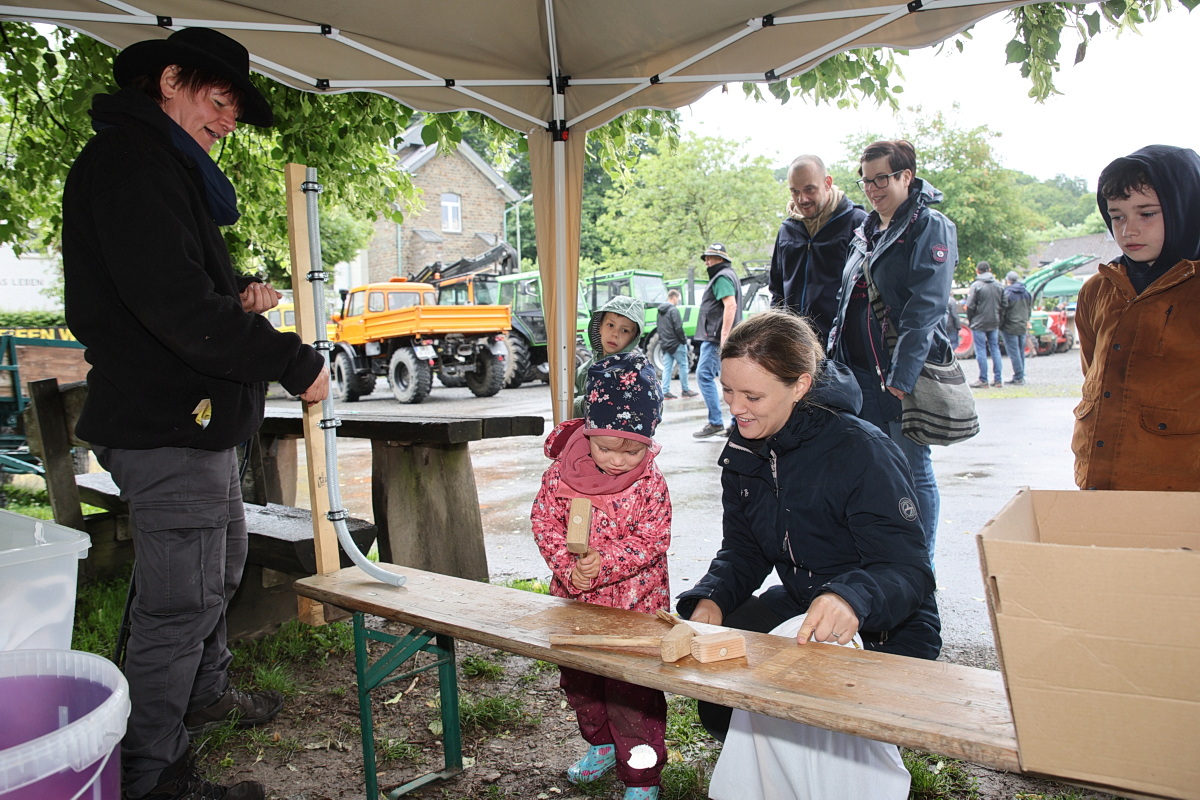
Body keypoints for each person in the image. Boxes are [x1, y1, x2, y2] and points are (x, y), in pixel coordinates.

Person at [61, 28, 329, 800]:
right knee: (179, 604)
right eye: (219, 100)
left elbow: (165, 287)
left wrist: (232, 297)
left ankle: (202, 696)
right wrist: (291, 360)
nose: (228, 121)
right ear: (170, 80)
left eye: (235, 110)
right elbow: (174, 307)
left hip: (189, 423)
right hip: (165, 424)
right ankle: (152, 773)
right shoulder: (130, 164)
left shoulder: (158, 164)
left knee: (218, 572)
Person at [676, 311, 939, 797]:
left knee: (801, 698)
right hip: (802, 604)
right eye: (727, 391)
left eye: (752, 396)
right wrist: (712, 597)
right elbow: (744, 548)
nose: (736, 407)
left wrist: (850, 598)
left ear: (799, 385)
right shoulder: (746, 446)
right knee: (717, 694)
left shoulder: (861, 450)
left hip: (887, 621)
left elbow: (909, 570)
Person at [532, 351, 670, 800]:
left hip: (635, 610)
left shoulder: (649, 482)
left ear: (649, 441)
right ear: (588, 432)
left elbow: (653, 539)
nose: (617, 460)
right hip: (577, 607)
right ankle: (602, 744)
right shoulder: (562, 474)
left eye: (632, 450)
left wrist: (604, 562)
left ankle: (642, 776)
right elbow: (545, 521)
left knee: (634, 697)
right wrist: (568, 565)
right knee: (582, 684)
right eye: (606, 447)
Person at [827, 139, 957, 564]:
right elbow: (844, 303)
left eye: (881, 179)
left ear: (906, 176)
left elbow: (926, 307)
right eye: (866, 181)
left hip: (900, 375)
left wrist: (902, 375)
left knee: (912, 470)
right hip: (857, 374)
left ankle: (921, 569)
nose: (872, 189)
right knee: (872, 471)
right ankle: (885, 564)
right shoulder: (865, 232)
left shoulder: (929, 225)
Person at [1072, 144, 1200, 491]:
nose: (1128, 230)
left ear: (1185, 207)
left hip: (1184, 494)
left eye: (1147, 214)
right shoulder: (1097, 290)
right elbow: (1093, 373)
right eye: (1117, 216)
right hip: (1101, 482)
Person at [768, 155, 867, 342]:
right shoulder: (786, 230)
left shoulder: (857, 223)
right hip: (796, 345)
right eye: (795, 191)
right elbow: (777, 291)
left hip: (842, 345)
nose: (802, 199)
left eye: (809, 189)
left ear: (827, 183)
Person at [692, 242, 742, 438]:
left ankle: (715, 422)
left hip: (715, 338)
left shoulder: (721, 277)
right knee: (731, 381)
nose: (706, 262)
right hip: (722, 337)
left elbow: (731, 305)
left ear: (720, 259)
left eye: (710, 258)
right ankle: (735, 424)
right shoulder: (728, 275)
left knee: (704, 375)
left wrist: (724, 337)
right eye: (705, 258)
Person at [573, 295, 644, 418]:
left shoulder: (639, 372)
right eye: (610, 325)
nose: (615, 334)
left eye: (625, 330)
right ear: (600, 327)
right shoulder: (583, 372)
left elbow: (653, 409)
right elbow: (567, 410)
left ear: (633, 338)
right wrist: (585, 403)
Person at [966, 261, 1006, 387]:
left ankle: (983, 379)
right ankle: (998, 379)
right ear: (990, 270)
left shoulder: (976, 285)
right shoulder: (999, 285)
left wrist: (971, 319)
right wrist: (999, 319)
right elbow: (1004, 305)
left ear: (977, 271)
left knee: (981, 350)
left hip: (978, 322)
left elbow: (970, 305)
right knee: (995, 349)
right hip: (994, 321)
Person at [656, 288, 697, 399]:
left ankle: (665, 391)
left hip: (665, 344)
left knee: (667, 368)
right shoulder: (673, 310)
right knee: (683, 365)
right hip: (676, 343)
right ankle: (685, 390)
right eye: (678, 298)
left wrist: (662, 342)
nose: (678, 301)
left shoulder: (660, 312)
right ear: (674, 297)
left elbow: (659, 328)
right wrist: (683, 341)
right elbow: (678, 327)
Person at [1000, 270, 1033, 385]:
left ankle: (1018, 377)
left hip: (1010, 326)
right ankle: (1020, 375)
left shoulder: (1007, 293)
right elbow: (1029, 309)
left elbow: (1003, 310)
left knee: (1014, 353)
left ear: (1008, 280)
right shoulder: (1026, 293)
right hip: (1022, 325)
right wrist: (1026, 320)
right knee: (1020, 352)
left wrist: (1001, 324)